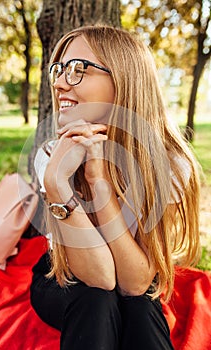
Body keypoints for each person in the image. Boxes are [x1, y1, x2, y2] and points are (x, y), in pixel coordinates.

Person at [30, 25, 201, 350]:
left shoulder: (169, 163)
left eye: (78, 69)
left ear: (123, 80)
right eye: (59, 69)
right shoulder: (53, 156)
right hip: (60, 276)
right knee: (96, 300)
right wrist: (56, 185)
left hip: (132, 273)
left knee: (139, 308)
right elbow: (101, 279)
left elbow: (136, 282)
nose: (60, 82)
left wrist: (98, 181)